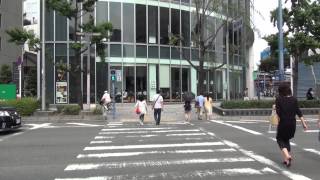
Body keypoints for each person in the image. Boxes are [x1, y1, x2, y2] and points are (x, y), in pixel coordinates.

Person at [275, 84, 308, 167]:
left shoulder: (279, 99)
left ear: (280, 91)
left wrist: (274, 108)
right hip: (292, 124)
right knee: (286, 139)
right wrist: (304, 124)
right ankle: (287, 160)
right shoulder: (294, 99)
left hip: (283, 123)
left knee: (280, 139)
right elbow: (298, 112)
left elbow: (278, 113)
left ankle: (287, 156)